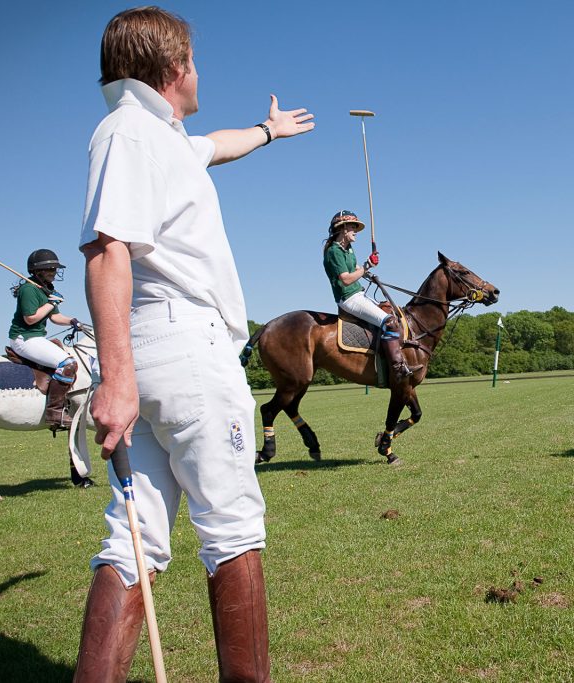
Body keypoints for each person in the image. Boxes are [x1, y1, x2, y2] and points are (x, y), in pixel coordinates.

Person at [75, 7, 313, 681]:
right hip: (183, 353)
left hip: (158, 360)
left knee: (135, 536)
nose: (199, 73)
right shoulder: (127, 133)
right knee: (233, 527)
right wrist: (115, 380)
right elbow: (105, 251)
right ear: (175, 69)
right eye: (195, 63)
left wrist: (269, 130)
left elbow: (219, 144)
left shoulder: (163, 136)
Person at [323, 209, 413, 380]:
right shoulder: (334, 251)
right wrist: (367, 267)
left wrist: (368, 267)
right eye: (353, 227)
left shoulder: (348, 249)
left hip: (359, 294)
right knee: (390, 322)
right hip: (348, 298)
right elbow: (346, 280)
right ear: (342, 228)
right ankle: (397, 368)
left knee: (392, 314)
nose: (356, 231)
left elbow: (357, 270)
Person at [8, 249, 79, 431]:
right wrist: (51, 303)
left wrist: (72, 320)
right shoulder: (29, 289)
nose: (55, 273)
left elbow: (55, 317)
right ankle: (55, 412)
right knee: (68, 364)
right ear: (40, 271)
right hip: (24, 338)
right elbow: (30, 318)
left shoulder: (47, 289)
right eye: (52, 269)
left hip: (36, 338)